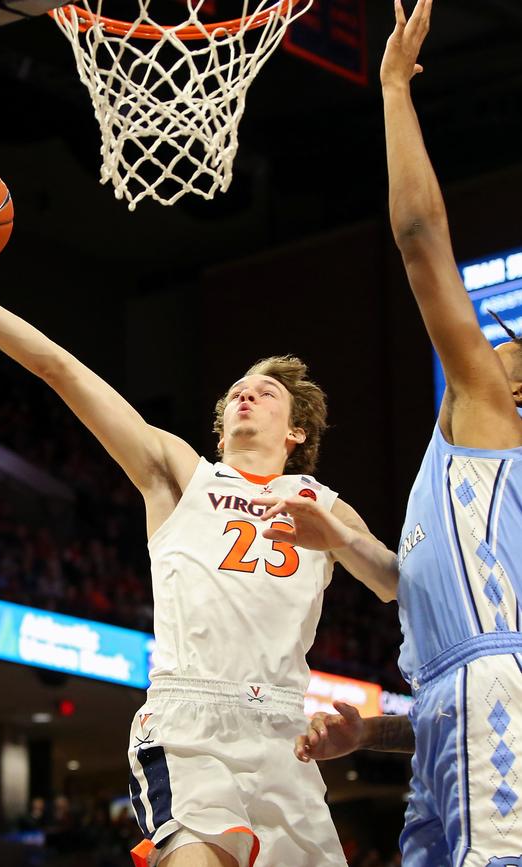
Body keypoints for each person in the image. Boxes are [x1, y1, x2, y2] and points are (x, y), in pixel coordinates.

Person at [0, 203, 397, 867]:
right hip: (191, 721)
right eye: (237, 392)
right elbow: (60, 369)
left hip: (284, 736)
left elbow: (399, 586)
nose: (247, 395)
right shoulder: (180, 473)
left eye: (266, 393)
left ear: (297, 431)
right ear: (219, 431)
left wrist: (339, 533)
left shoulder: (325, 505)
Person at [292, 1, 522, 865]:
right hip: (446, 717)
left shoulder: (489, 415)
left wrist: (392, 88)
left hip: (488, 697)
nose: (487, 345)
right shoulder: (458, 484)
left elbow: (421, 238)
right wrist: (368, 737)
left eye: (506, 349)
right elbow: (414, 606)